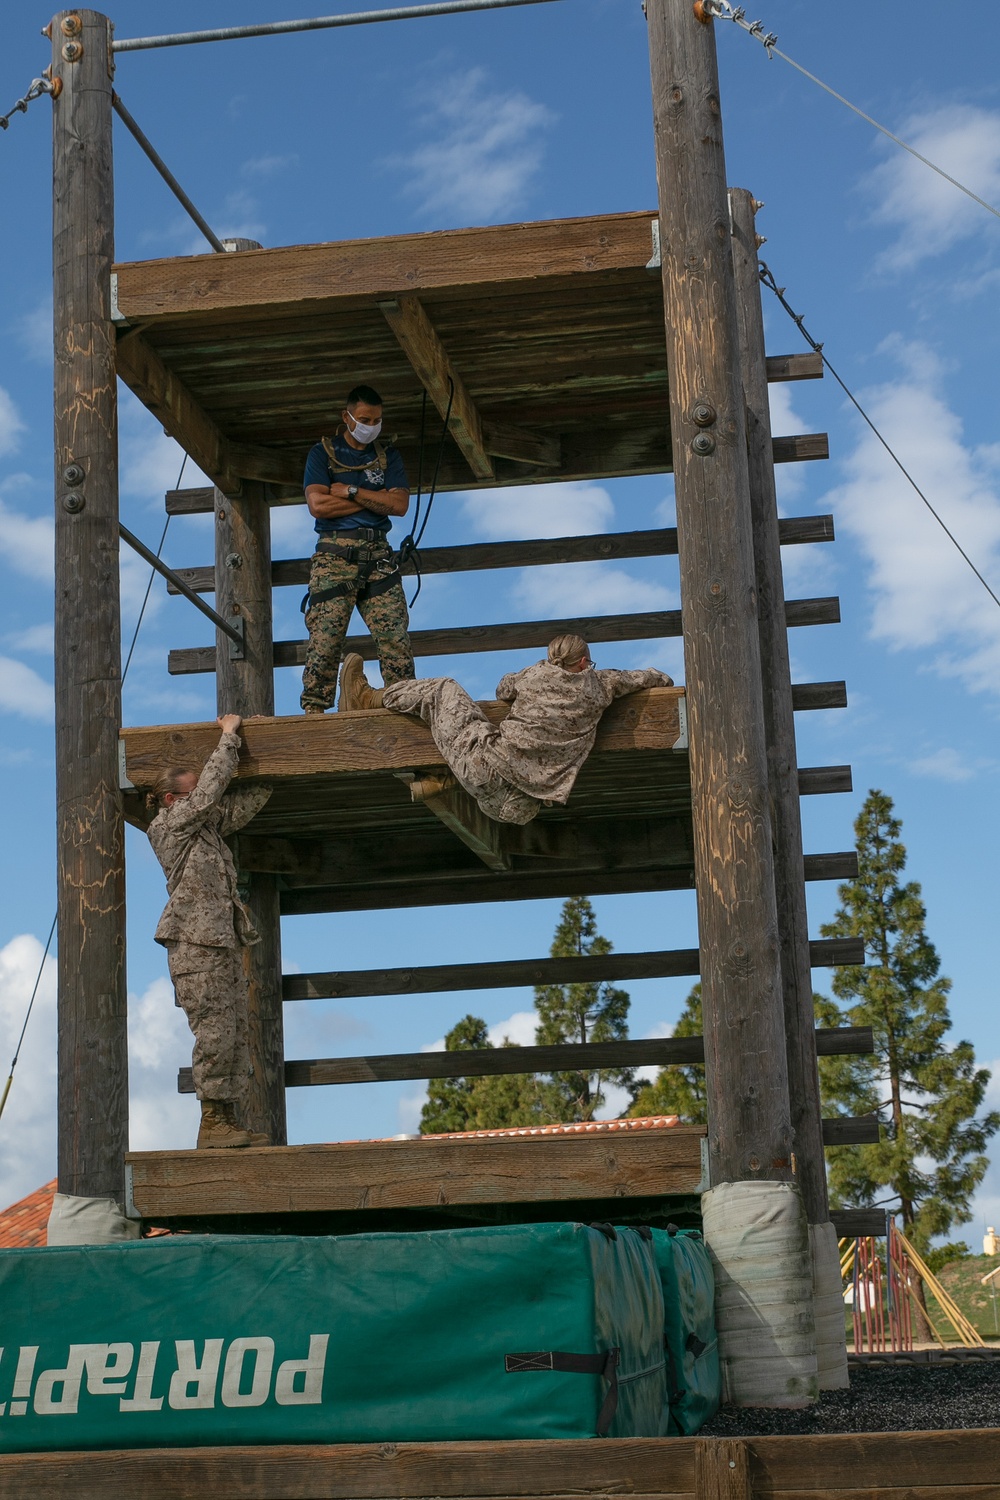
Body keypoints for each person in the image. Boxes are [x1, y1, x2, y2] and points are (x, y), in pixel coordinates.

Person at [337, 635, 674, 824]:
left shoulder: (534, 674)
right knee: (488, 752)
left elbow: (502, 691)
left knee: (443, 690)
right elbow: (647, 677)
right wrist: (664, 682)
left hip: (487, 772)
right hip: (521, 809)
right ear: (584, 662)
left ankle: (366, 698)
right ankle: (441, 781)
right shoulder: (603, 684)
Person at [146, 714, 272, 1149]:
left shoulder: (203, 827)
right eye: (191, 791)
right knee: (215, 1032)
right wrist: (229, 736)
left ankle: (226, 1121)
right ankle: (212, 1124)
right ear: (169, 799)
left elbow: (230, 808)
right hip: (194, 947)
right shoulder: (168, 827)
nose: (202, 797)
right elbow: (209, 796)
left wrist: (275, 772)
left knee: (235, 1031)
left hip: (218, 944)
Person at [300, 383, 415, 714]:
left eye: (377, 420)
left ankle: (404, 706)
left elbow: (400, 504)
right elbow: (319, 505)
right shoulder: (322, 453)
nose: (371, 426)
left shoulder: (387, 456)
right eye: (365, 418)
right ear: (347, 418)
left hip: (379, 557)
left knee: (396, 639)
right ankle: (315, 714)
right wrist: (375, 502)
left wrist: (350, 491)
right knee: (325, 642)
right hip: (334, 557)